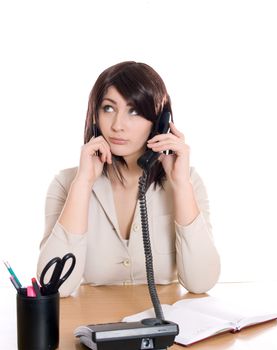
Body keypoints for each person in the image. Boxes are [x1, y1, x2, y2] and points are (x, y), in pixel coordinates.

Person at [37, 61, 220, 297]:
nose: (117, 126)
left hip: (164, 326)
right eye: (109, 108)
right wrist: (82, 184)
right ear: (95, 115)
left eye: (134, 111)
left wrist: (181, 186)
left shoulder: (188, 181)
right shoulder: (67, 183)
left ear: (160, 122)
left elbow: (201, 282)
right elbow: (53, 287)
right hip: (95, 324)